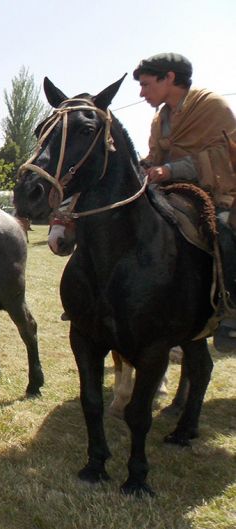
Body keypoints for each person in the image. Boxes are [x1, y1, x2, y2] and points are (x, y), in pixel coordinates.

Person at [134, 52, 236, 349]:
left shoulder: (212, 107)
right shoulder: (159, 119)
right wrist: (142, 166)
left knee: (224, 231)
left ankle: (230, 311)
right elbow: (155, 158)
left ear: (169, 78)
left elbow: (226, 155)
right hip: (172, 192)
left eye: (146, 84)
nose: (142, 93)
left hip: (216, 192)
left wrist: (170, 170)